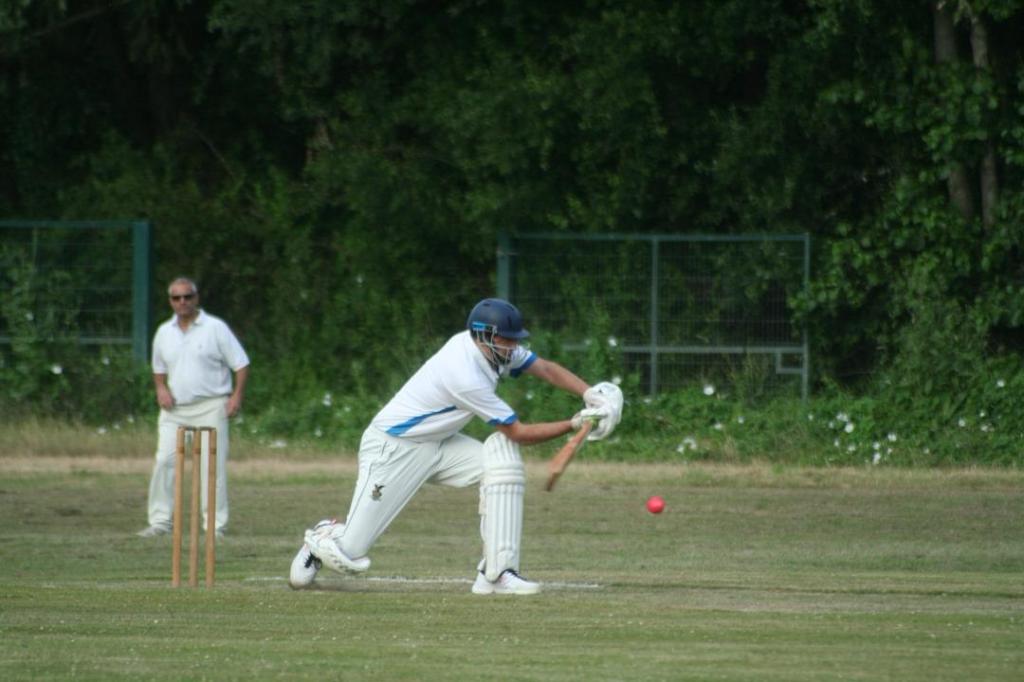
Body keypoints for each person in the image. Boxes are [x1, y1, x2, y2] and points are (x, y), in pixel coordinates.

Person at [289, 298, 623, 594]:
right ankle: (323, 536)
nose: (512, 346)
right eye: (506, 340)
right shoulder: (463, 373)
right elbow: (518, 432)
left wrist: (589, 394)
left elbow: (544, 367)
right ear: (484, 336)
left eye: (513, 340)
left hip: (441, 443)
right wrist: (574, 423)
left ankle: (496, 575)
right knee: (349, 554)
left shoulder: (494, 348)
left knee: (502, 467)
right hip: (394, 448)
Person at [137, 277, 250, 538]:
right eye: (176, 298)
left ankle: (214, 526)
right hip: (174, 410)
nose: (182, 302)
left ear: (196, 298)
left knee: (211, 466)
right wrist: (161, 389)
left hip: (211, 406)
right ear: (171, 302)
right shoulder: (164, 332)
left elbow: (241, 364)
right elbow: (159, 369)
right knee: (164, 461)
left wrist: (236, 397)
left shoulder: (215, 328)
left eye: (187, 296)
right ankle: (160, 522)